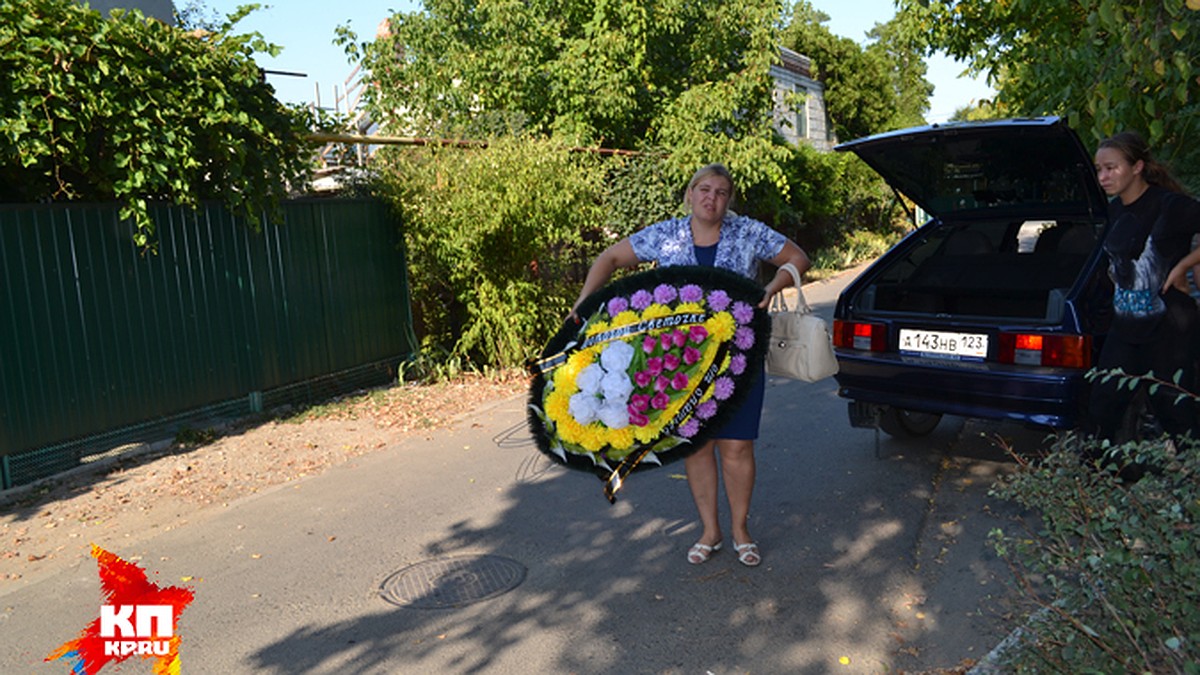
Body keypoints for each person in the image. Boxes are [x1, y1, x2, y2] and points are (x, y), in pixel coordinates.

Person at [570, 163, 811, 567]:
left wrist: (771, 287)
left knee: (736, 446)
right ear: (690, 193)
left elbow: (797, 258)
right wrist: (583, 302)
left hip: (738, 355)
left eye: (720, 192)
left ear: (728, 200)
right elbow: (610, 257)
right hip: (680, 359)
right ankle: (709, 531)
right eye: (703, 189)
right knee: (697, 448)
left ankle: (739, 531)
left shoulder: (748, 232)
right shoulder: (664, 235)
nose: (710, 198)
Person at [1088, 131, 1200, 442]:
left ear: (1137, 167)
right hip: (1125, 327)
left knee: (1176, 412)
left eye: (1111, 168)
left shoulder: (1171, 206)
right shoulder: (1115, 210)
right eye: (1099, 169)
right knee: (1102, 405)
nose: (1103, 177)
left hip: (1170, 329)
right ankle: (1092, 481)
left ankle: (1191, 483)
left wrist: (1184, 264)